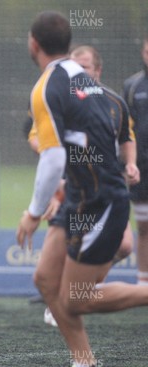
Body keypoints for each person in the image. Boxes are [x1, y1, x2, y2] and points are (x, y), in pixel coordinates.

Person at [17, 11, 148, 367]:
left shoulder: (46, 86)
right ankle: (84, 361)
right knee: (45, 280)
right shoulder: (96, 88)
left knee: (76, 298)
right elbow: (118, 142)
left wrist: (32, 213)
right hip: (78, 200)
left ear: (34, 43)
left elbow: (54, 158)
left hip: (99, 203)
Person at [30, 44, 140, 327]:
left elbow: (126, 138)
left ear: (97, 71)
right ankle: (69, 322)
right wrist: (58, 174)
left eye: (86, 68)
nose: (78, 73)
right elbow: (40, 141)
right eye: (76, 66)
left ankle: (74, 294)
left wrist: (130, 164)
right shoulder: (56, 96)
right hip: (69, 191)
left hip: (103, 192)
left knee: (125, 246)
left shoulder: (113, 102)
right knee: (50, 280)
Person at [124, 36, 148, 286]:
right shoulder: (132, 86)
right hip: (142, 168)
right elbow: (124, 130)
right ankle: (143, 284)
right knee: (144, 228)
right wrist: (129, 163)